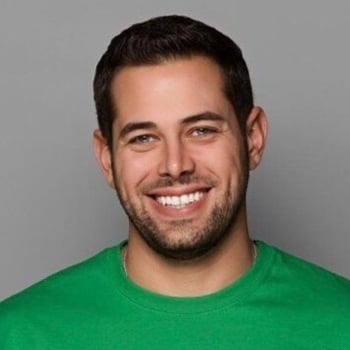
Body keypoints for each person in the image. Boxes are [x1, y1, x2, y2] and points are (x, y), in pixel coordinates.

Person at [0, 15, 349, 349]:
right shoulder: (19, 334)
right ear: (107, 158)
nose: (175, 165)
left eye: (202, 130)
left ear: (253, 138)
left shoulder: (339, 322)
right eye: (142, 138)